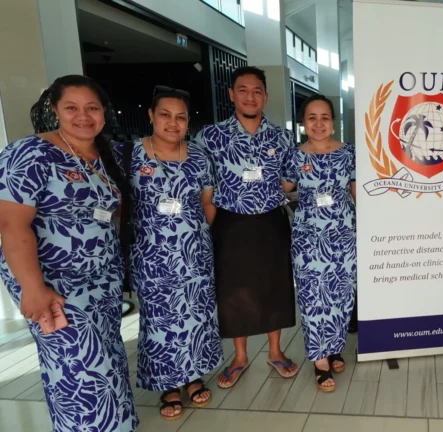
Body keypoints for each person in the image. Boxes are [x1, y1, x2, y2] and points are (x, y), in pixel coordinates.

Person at [0, 75, 138, 431]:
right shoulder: (31, 153)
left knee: (108, 356)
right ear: (55, 110)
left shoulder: (102, 154)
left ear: (104, 112)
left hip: (101, 279)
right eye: (72, 107)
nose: (83, 116)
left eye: (92, 108)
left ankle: (119, 424)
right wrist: (33, 289)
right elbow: (11, 225)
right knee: (77, 367)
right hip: (53, 283)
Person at [113, 87, 223, 420]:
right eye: (165, 115)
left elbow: (207, 204)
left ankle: (193, 376)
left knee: (196, 316)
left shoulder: (199, 157)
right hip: (152, 256)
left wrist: (192, 237)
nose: (173, 123)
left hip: (195, 255)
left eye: (180, 117)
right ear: (151, 115)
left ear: (188, 121)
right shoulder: (129, 154)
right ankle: (168, 384)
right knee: (160, 320)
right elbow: (115, 203)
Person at [194, 66, 298, 389]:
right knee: (233, 291)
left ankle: (275, 351)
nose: (250, 97)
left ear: (265, 96)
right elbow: (203, 186)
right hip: (231, 222)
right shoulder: (210, 137)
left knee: (275, 286)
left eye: (256, 91)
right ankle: (240, 357)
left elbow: (290, 181)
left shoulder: (282, 137)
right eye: (243, 90)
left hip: (271, 220)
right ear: (231, 95)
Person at [281, 95, 356, 392]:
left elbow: (357, 193)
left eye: (325, 117)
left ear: (333, 122)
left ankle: (334, 346)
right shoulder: (295, 156)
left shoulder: (349, 153)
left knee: (340, 294)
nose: (319, 123)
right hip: (308, 238)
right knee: (313, 296)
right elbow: (283, 188)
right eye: (312, 117)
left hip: (343, 235)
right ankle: (319, 359)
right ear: (303, 123)